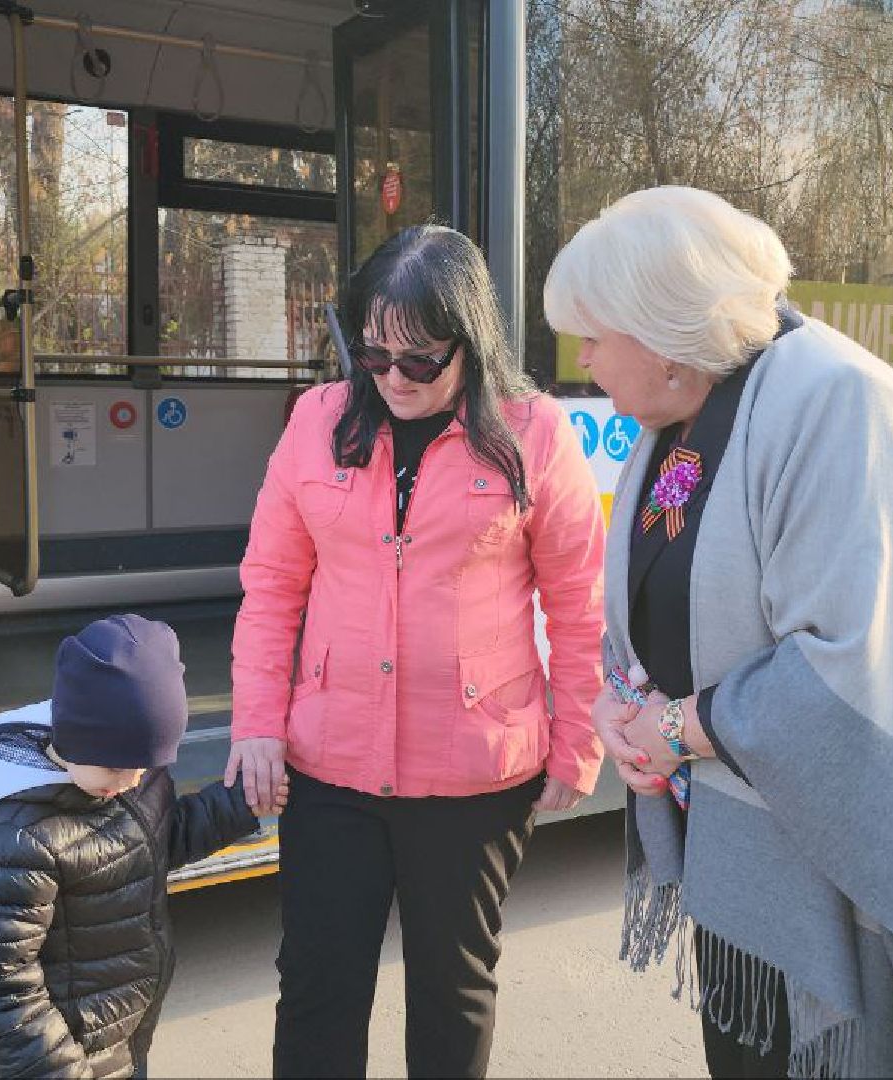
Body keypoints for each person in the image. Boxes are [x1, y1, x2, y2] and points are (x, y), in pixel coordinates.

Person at [543, 186, 893, 1078]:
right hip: (744, 853)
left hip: (833, 865)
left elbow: (848, 664)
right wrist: (624, 701)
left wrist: (673, 730)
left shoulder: (834, 404)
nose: (585, 358)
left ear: (663, 327)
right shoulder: (685, 421)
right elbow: (659, 599)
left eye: (593, 335)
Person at [225, 224, 606, 1079]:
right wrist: (255, 722)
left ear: (470, 342)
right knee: (317, 986)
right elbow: (272, 586)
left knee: (452, 989)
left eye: (421, 360)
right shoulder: (316, 422)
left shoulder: (533, 435)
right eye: (374, 355)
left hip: (473, 772)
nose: (393, 379)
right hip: (330, 767)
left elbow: (578, 607)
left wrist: (575, 739)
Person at [0, 614, 280, 1079]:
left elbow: (160, 840)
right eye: (115, 768)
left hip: (119, 1039)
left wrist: (243, 801)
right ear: (72, 737)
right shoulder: (10, 842)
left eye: (144, 768)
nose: (129, 783)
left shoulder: (125, 778)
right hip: (57, 1061)